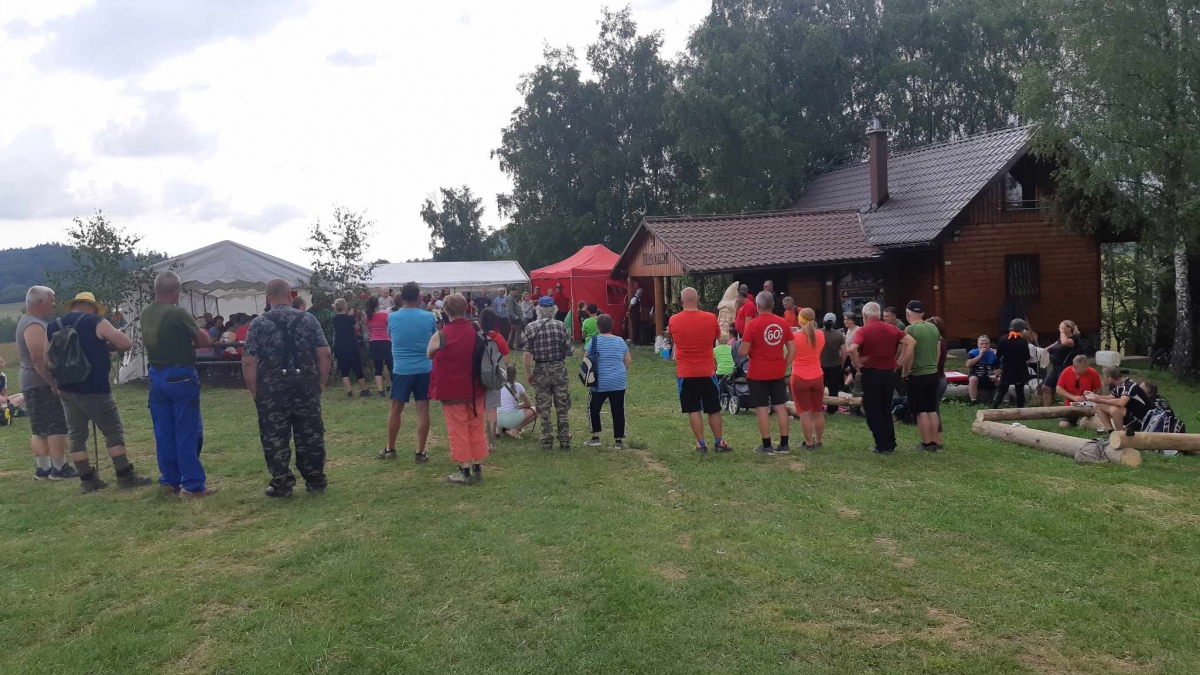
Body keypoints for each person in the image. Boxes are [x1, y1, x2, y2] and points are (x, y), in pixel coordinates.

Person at [46, 292, 153, 492]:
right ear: (91, 307)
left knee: (76, 435)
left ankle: (87, 480)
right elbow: (125, 343)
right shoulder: (95, 322)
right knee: (113, 431)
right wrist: (107, 344)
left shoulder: (54, 326)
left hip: (67, 388)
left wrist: (56, 384)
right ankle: (124, 475)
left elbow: (48, 358)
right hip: (95, 388)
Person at [243, 279, 332, 498]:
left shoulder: (258, 324)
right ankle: (315, 479)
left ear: (267, 297)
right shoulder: (308, 319)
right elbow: (325, 354)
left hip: (272, 388)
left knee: (274, 436)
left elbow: (249, 362)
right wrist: (321, 382)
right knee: (310, 433)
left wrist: (254, 390)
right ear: (290, 295)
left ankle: (281, 483)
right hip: (305, 384)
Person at [140, 271, 215, 497]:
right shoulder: (177, 312)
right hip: (181, 375)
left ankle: (169, 480)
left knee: (164, 432)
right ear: (176, 290)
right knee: (187, 430)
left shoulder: (146, 313)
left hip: (156, 375)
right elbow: (204, 340)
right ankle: (192, 485)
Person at [427, 294, 488, 484]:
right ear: (465, 308)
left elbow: (429, 353)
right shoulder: (475, 329)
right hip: (475, 387)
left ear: (445, 310)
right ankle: (477, 465)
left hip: (452, 390)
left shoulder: (441, 335)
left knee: (458, 428)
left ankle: (464, 470)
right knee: (476, 425)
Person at [16, 286, 74, 481]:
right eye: (52, 300)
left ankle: (43, 469)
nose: (54, 304)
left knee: (39, 427)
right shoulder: (34, 324)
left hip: (31, 382)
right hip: (40, 382)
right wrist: (53, 382)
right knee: (56, 425)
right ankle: (59, 468)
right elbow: (38, 357)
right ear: (40, 302)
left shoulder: (28, 321)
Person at [669, 287, 732, 453]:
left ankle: (701, 443)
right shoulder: (710, 318)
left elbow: (674, 338)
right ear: (697, 299)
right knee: (714, 408)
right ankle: (719, 441)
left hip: (686, 373)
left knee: (693, 409)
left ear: (681, 301)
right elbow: (717, 336)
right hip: (707, 371)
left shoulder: (674, 320)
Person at [847, 302, 915, 455]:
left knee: (872, 409)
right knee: (885, 407)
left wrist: (856, 364)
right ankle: (890, 442)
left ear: (864, 316)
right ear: (878, 314)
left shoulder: (863, 331)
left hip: (871, 373)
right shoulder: (891, 328)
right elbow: (911, 342)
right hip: (889, 373)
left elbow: (852, 348)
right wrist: (900, 362)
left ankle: (881, 444)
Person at [383, 282, 438, 462]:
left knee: (395, 409)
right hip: (424, 369)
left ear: (401, 297)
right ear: (418, 297)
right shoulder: (429, 317)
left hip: (402, 369)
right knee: (423, 410)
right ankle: (420, 452)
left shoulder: (392, 317)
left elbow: (391, 336)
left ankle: (390, 448)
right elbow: (434, 339)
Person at [740, 291, 795, 454]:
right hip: (777, 371)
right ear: (773, 305)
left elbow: (743, 351)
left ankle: (766, 445)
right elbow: (792, 349)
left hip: (757, 372)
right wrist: (784, 365)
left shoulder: (752, 324)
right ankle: (784, 444)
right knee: (780, 406)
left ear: (758, 306)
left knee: (762, 408)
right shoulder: (783, 323)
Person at [523, 296, 574, 450]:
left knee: (544, 407)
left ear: (538, 310)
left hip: (540, 370)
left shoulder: (530, 327)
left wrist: (528, 373)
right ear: (554, 310)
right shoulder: (560, 326)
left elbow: (527, 354)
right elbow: (570, 350)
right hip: (559, 369)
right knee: (562, 406)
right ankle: (564, 439)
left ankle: (546, 439)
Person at [585, 313, 631, 449]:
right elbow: (628, 359)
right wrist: (620, 371)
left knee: (593, 407)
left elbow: (586, 359)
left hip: (599, 381)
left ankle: (595, 437)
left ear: (598, 327)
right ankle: (619, 440)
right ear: (612, 326)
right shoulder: (620, 340)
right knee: (618, 410)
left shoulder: (594, 341)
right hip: (618, 381)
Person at [903, 301, 942, 451]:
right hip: (933, 373)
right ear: (923, 313)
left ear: (908, 314)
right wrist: (933, 366)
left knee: (921, 411)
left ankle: (926, 443)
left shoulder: (910, 329)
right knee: (932, 409)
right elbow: (938, 351)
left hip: (917, 374)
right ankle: (935, 441)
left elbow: (909, 354)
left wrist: (905, 372)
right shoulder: (933, 328)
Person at [791, 307, 827, 448]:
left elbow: (791, 353)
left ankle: (809, 443)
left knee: (805, 413)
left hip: (799, 377)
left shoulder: (795, 337)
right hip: (817, 376)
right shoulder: (821, 335)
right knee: (818, 411)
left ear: (800, 320)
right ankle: (818, 441)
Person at [479, 307, 511, 452]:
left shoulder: (475, 337)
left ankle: (478, 440)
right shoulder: (498, 338)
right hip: (493, 378)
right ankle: (491, 444)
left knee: (477, 409)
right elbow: (507, 360)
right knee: (492, 410)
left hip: (477, 377)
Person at [1087, 366, 1151, 433]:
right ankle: (1110, 431)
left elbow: (1121, 402)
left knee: (1115, 410)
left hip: (1141, 418)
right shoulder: (1119, 385)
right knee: (1098, 406)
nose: (1103, 379)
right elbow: (1111, 397)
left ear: (1110, 378)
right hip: (1131, 413)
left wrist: (1100, 400)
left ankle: (1119, 434)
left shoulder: (1129, 386)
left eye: (1105, 377)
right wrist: (1094, 396)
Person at [332, 299, 370, 397]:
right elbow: (356, 328)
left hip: (339, 345)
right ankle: (364, 389)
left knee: (343, 368)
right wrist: (352, 316)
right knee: (357, 366)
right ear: (345, 306)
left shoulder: (335, 319)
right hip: (350, 345)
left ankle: (349, 390)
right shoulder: (350, 318)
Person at [992, 320, 1032, 409]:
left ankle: (993, 408)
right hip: (1020, 369)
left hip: (1007, 368)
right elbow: (1027, 357)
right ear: (1022, 329)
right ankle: (1020, 410)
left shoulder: (1003, 339)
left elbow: (998, 355)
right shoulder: (1023, 341)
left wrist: (997, 365)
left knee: (1002, 390)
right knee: (1019, 391)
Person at [1041, 320, 1081, 406]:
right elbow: (1056, 343)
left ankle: (1068, 408)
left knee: (1064, 390)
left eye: (1062, 327)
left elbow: (1064, 343)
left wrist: (1062, 332)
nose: (1060, 328)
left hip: (1065, 368)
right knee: (1046, 388)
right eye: (1060, 327)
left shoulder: (1074, 339)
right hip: (1056, 367)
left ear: (1069, 328)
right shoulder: (1061, 338)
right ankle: (1046, 409)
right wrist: (1047, 349)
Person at [1055, 355, 1102, 427]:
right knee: (1063, 425)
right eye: (1082, 368)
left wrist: (1093, 397)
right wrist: (1074, 397)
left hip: (1088, 404)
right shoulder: (1067, 371)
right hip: (1071, 404)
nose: (1085, 369)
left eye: (1086, 367)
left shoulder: (1092, 372)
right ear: (1075, 367)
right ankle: (1073, 422)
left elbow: (1099, 389)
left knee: (1087, 423)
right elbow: (1059, 389)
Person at [498, 364, 537, 438]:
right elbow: (528, 404)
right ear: (515, 375)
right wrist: (519, 405)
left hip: (497, 419)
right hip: (510, 419)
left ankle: (499, 429)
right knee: (537, 409)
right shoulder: (518, 385)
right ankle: (515, 430)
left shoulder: (497, 386)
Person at [365, 295, 392, 397]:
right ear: (377, 304)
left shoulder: (368, 317)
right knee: (390, 365)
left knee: (378, 368)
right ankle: (393, 386)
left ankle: (380, 391)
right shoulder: (385, 315)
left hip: (374, 342)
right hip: (386, 341)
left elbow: (369, 330)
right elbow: (389, 327)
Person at [820, 313, 847, 414]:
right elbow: (844, 351)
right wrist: (842, 363)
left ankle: (818, 405)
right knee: (833, 388)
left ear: (823, 321)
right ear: (834, 323)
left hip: (820, 364)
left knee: (819, 388)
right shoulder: (839, 335)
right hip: (835, 365)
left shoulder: (818, 333)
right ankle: (832, 408)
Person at [928, 316, 949, 431]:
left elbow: (936, 359)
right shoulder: (943, 340)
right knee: (933, 408)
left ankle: (935, 433)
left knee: (933, 409)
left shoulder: (939, 342)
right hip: (941, 378)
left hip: (937, 379)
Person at [966, 336, 999, 404]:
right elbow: (968, 365)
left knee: (1001, 379)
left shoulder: (994, 353)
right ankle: (973, 401)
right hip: (977, 374)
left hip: (990, 374)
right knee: (973, 379)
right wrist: (979, 356)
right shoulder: (973, 352)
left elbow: (999, 368)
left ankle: (1003, 401)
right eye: (982, 344)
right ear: (978, 345)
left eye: (986, 344)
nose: (984, 346)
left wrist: (996, 375)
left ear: (989, 344)